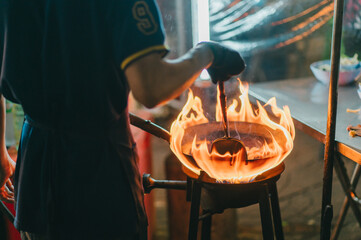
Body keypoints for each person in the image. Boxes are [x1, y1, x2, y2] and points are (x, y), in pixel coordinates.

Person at [0, 0, 245, 239]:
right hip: (99, 178)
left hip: (35, 175)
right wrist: (206, 53)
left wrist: (1, 156)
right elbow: (151, 87)